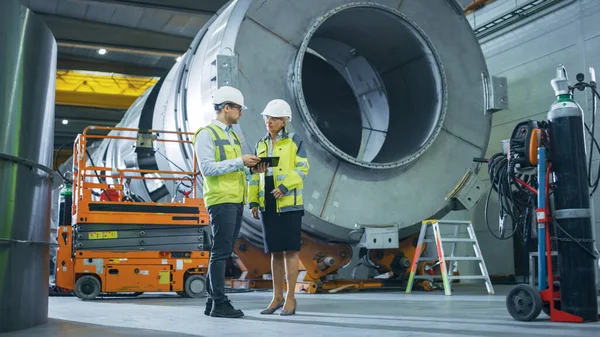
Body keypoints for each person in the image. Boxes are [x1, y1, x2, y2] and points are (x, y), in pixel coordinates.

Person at [193, 86, 267, 318]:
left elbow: (236, 169)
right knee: (221, 253)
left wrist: (252, 169)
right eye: (238, 108)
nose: (241, 113)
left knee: (222, 251)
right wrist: (239, 161)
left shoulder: (232, 135)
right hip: (220, 199)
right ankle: (220, 303)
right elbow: (207, 169)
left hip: (235, 199)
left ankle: (211, 302)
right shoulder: (206, 134)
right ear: (227, 107)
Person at [248, 99, 309, 316]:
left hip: (289, 202)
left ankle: (290, 298)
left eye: (274, 118)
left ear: (284, 121)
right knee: (274, 252)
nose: (269, 121)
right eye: (267, 117)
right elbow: (254, 176)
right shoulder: (261, 144)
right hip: (268, 201)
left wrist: (284, 186)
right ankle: (276, 298)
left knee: (290, 251)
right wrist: (253, 200)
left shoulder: (294, 141)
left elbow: (303, 168)